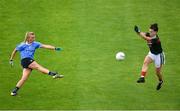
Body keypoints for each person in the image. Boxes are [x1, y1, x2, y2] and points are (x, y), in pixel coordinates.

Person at [9, 32, 64, 96]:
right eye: (32, 37)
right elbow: (15, 50)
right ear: (28, 38)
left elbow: (45, 46)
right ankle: (53, 74)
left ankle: (14, 91)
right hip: (25, 60)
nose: (34, 38)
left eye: (34, 37)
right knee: (38, 67)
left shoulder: (35, 44)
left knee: (24, 78)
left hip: (28, 62)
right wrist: (11, 59)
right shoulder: (22, 45)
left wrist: (55, 48)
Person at [134, 23, 165, 90]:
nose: (150, 33)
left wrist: (138, 32)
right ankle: (142, 77)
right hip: (152, 53)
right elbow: (144, 34)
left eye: (151, 32)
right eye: (150, 31)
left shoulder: (156, 39)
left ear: (156, 32)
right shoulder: (150, 34)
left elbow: (146, 38)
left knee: (157, 72)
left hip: (159, 56)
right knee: (145, 62)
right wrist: (139, 31)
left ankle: (160, 81)